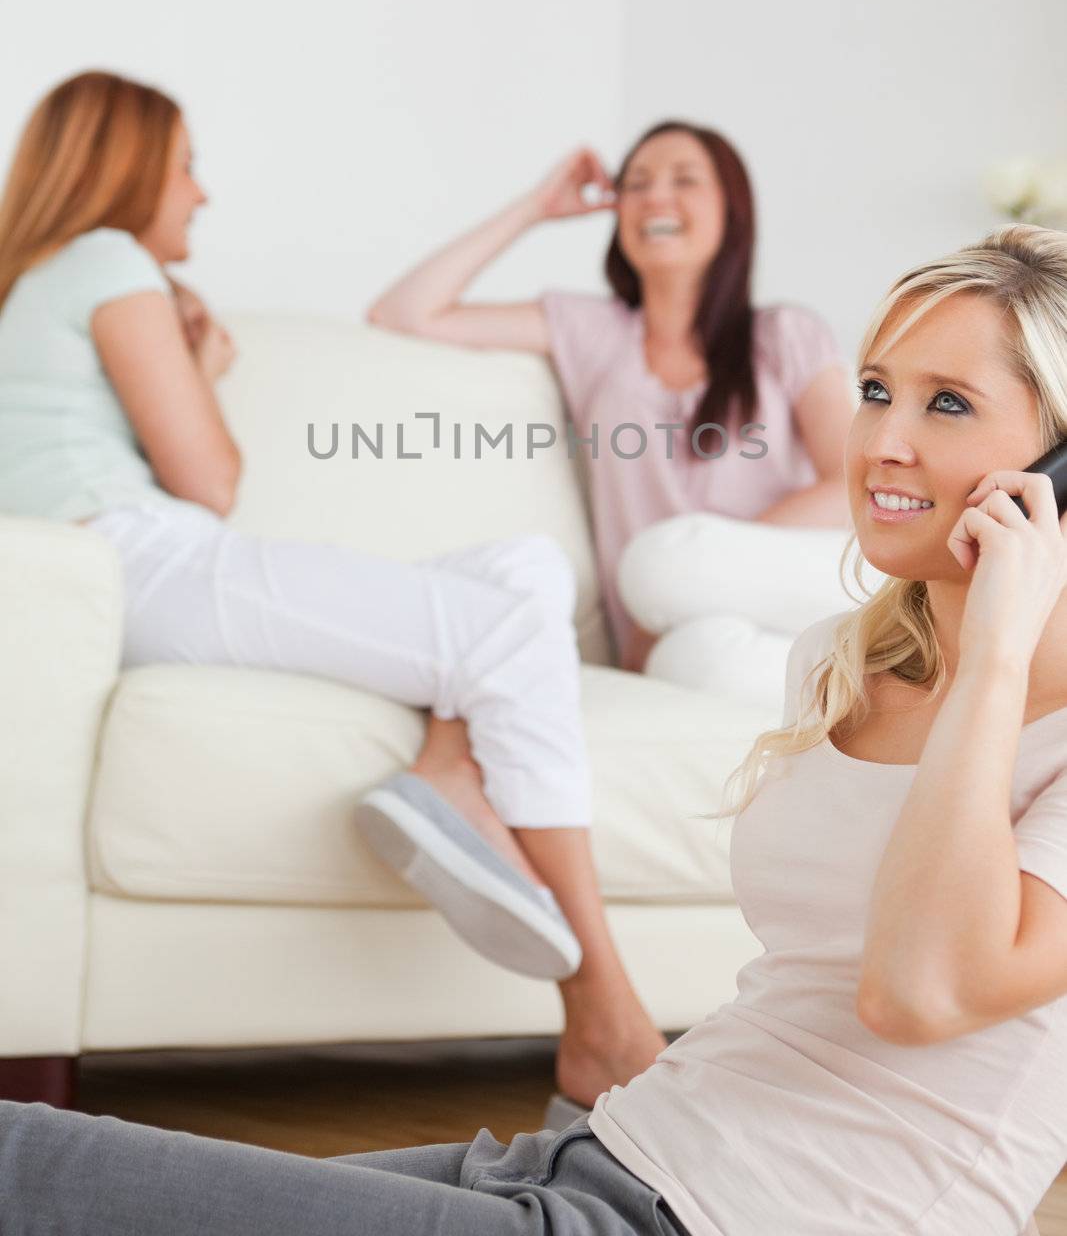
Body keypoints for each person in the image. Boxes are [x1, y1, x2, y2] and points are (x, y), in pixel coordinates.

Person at [5, 224, 1066, 1235]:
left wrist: (996, 652)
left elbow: (919, 987)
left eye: (947, 404)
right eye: (875, 388)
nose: (879, 439)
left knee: (30, 1170)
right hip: (599, 1155)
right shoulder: (843, 662)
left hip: (722, 1217)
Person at [0, 70, 667, 1110]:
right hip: (143, 560)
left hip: (132, 566)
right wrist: (203, 370)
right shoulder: (105, 258)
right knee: (502, 634)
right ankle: (603, 1012)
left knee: (529, 569)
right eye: (185, 165)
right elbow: (209, 479)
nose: (200, 193)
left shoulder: (43, 276)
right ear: (126, 170)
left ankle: (450, 763)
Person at [367, 123, 858, 714]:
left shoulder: (784, 334)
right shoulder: (593, 333)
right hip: (677, 637)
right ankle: (864, 703)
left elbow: (854, 479)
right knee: (703, 663)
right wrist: (534, 208)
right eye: (636, 184)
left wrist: (697, 565)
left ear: (732, 210)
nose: (654, 197)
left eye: (684, 180)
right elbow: (403, 313)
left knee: (663, 564)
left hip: (787, 586)